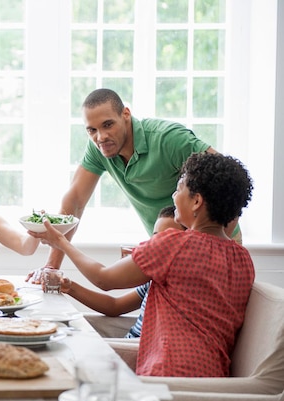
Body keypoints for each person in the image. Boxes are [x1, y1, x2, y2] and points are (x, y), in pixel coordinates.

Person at [31, 152, 254, 377]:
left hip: (168, 371)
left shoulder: (174, 244)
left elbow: (104, 279)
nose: (174, 196)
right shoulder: (243, 259)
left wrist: (60, 241)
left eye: (178, 189)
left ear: (196, 201)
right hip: (213, 375)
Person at [33, 88, 241, 279]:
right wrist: (52, 266)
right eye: (91, 130)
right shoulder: (98, 148)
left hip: (217, 245)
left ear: (126, 114)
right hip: (167, 248)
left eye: (108, 125)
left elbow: (230, 182)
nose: (101, 137)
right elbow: (75, 201)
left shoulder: (169, 140)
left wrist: (215, 247)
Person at [67, 206, 186, 340]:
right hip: (127, 340)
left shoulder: (179, 284)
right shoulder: (152, 280)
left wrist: (61, 242)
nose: (158, 245)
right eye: (156, 238)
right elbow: (114, 306)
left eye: (167, 239)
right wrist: (69, 287)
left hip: (138, 350)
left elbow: (103, 280)